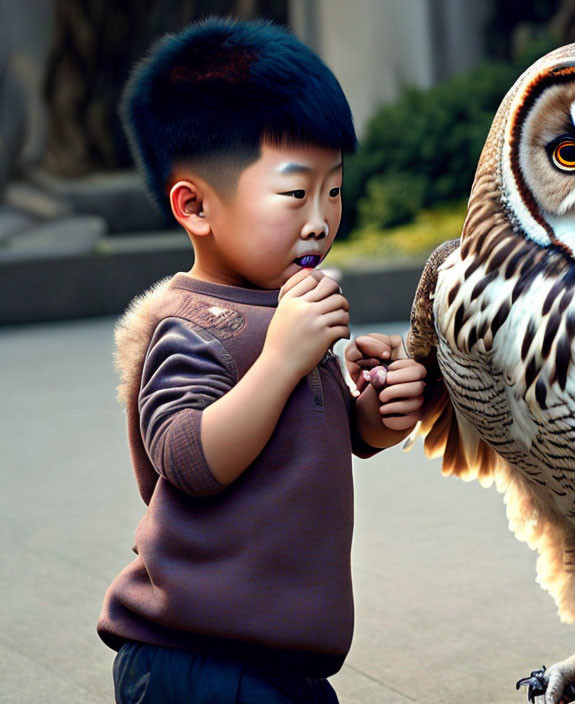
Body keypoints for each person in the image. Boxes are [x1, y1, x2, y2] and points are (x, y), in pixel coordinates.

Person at [97, 18, 426, 703]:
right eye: (293, 192)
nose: (321, 219)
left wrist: (372, 415)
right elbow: (187, 460)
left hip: (284, 658)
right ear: (194, 206)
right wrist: (283, 358)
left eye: (333, 190)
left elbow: (303, 436)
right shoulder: (191, 326)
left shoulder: (283, 311)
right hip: (196, 656)